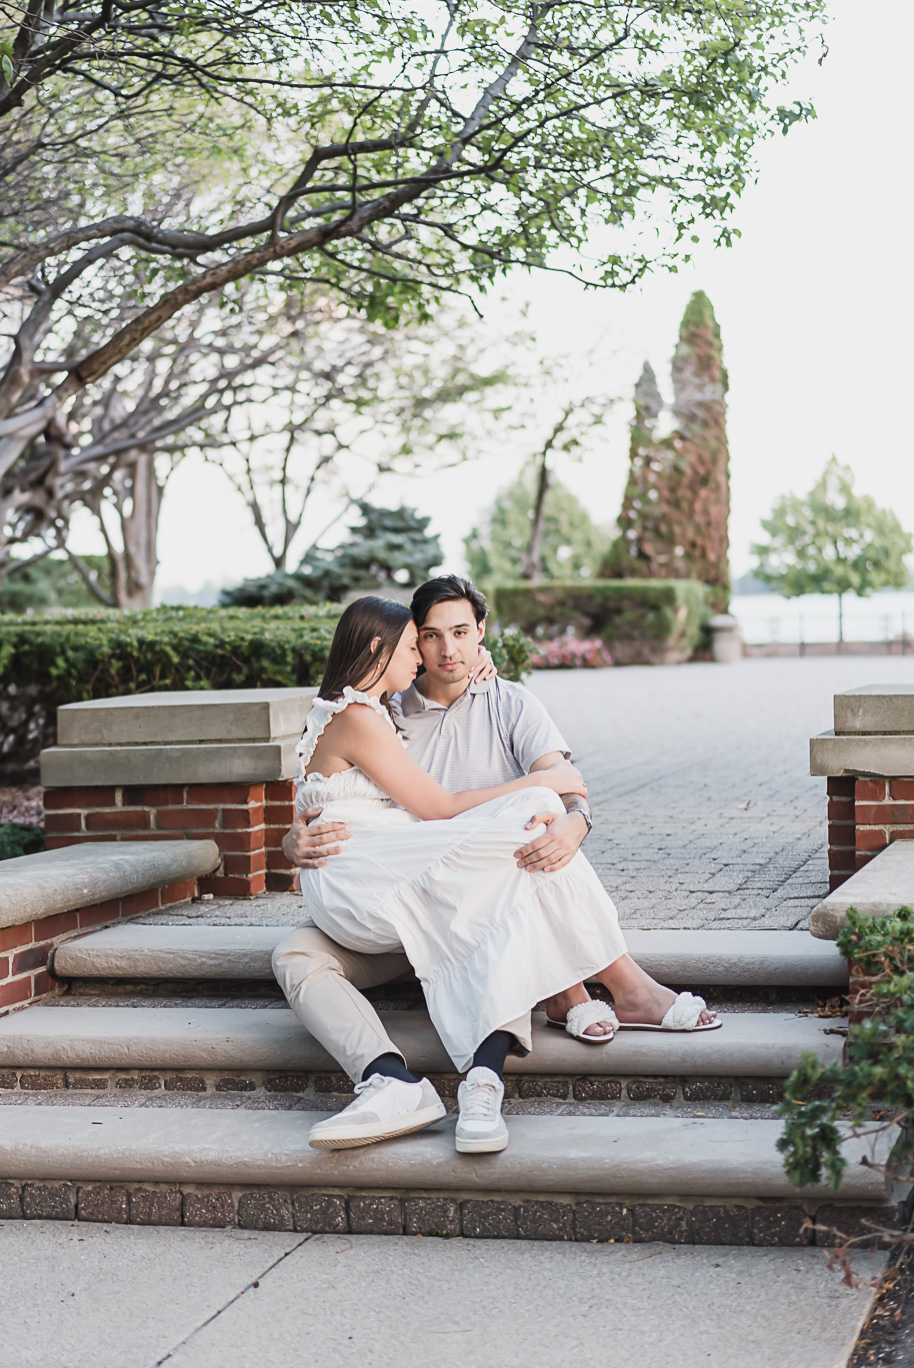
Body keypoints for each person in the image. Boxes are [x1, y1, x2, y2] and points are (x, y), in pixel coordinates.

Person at [273, 583, 718, 1155]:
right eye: (425, 639)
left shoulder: (508, 702)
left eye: (460, 633)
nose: (441, 651)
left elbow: (568, 790)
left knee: (521, 849)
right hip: (382, 890)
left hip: (425, 883)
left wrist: (574, 821)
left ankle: (501, 1057)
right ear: (394, 648)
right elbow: (338, 805)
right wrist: (293, 842)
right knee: (297, 952)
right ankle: (573, 996)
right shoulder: (385, 708)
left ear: (481, 635)